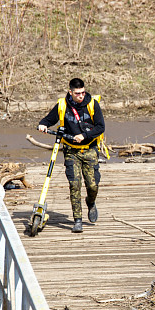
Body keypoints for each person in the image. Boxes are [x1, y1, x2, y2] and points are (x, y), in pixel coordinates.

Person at [38, 78, 105, 233]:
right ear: (70, 92)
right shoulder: (63, 104)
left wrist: (85, 135)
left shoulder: (92, 104)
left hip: (89, 150)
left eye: (82, 92)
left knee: (92, 185)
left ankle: (91, 202)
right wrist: (43, 124)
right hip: (71, 151)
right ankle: (78, 220)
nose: (81, 96)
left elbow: (100, 127)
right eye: (77, 93)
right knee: (74, 185)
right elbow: (49, 119)